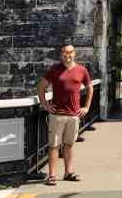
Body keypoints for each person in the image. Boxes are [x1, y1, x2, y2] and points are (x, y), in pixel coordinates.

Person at [37, 44, 93, 185]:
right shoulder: (54, 70)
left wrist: (86, 107)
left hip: (74, 114)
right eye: (64, 53)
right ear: (61, 54)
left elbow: (90, 87)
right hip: (57, 114)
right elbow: (41, 86)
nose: (67, 55)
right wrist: (45, 105)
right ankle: (52, 175)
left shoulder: (82, 70)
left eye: (69, 52)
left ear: (74, 54)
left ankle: (68, 172)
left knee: (69, 144)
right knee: (54, 145)